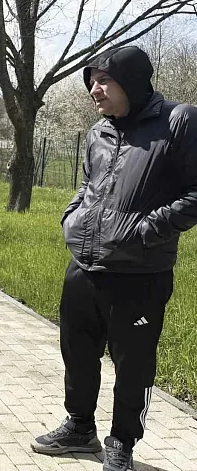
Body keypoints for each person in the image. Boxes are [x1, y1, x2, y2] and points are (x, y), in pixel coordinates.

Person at [31, 45, 197, 471]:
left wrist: (147, 230)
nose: (94, 90)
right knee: (77, 351)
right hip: (84, 265)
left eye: (104, 80)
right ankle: (79, 426)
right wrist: (72, 217)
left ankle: (122, 440)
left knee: (133, 363)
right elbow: (88, 186)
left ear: (132, 82)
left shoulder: (178, 122)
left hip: (140, 272)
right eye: (91, 82)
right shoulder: (98, 133)